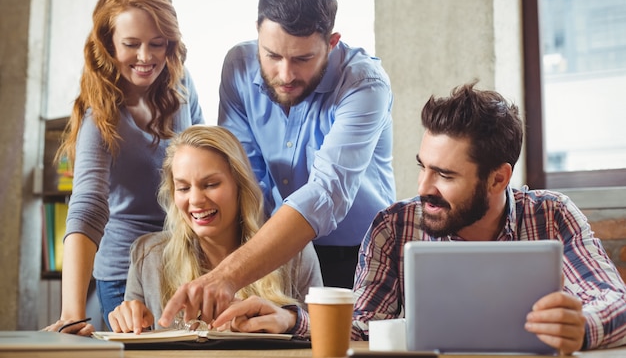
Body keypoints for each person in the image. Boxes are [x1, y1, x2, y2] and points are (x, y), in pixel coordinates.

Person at [211, 82, 626, 354]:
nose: (424, 186)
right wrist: (289, 319)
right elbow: (366, 326)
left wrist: (584, 327)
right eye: (422, 166)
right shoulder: (394, 226)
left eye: (445, 175)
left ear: (499, 178)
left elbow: (616, 302)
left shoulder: (552, 215)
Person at [157, 0, 395, 328]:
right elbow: (244, 175)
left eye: (302, 59)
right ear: (257, 32)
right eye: (272, 55)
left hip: (358, 257)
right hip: (272, 253)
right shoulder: (237, 66)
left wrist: (229, 274)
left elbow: (326, 193)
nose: (285, 74)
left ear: (331, 43)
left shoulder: (365, 83)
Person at [43, 0, 204, 334]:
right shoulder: (97, 116)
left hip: (184, 260)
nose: (146, 57)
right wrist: (72, 313)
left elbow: (204, 158)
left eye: (157, 44)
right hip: (125, 273)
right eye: (131, 44)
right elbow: (87, 206)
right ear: (108, 44)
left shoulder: (180, 83)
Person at [107, 125, 322, 334]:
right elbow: (135, 340)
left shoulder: (295, 252)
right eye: (183, 188)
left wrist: (289, 321)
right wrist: (128, 321)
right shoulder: (148, 256)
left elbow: (325, 332)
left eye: (210, 185)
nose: (196, 200)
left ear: (240, 186)